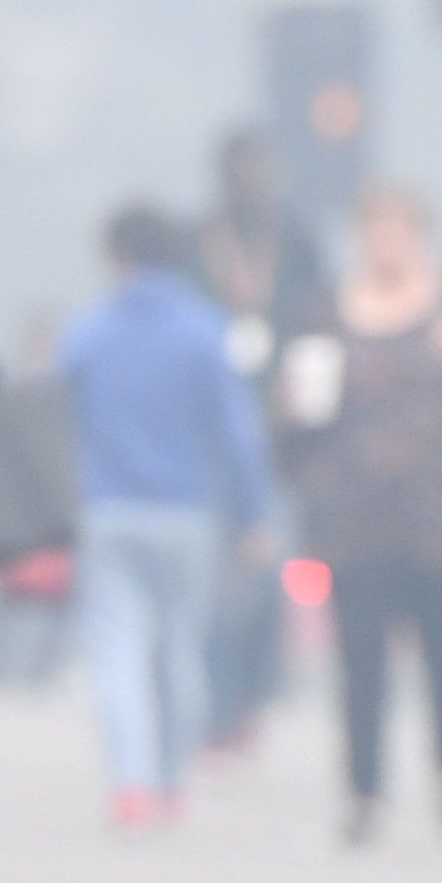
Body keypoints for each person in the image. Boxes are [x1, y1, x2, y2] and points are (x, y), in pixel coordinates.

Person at [282, 180, 442, 842]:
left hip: (439, 519)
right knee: (359, 663)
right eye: (374, 231)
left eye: (398, 230)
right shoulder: (326, 314)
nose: (385, 244)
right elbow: (298, 413)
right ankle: (363, 791)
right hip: (354, 519)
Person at [60, 203, 276, 827]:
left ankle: (131, 782)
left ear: (117, 256)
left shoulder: (90, 332)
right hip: (188, 514)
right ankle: (173, 777)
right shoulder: (205, 332)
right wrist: (253, 515)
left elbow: (55, 417)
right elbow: (237, 435)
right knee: (181, 647)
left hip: (108, 511)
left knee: (118, 648)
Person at [195, 127, 330, 750]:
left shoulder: (297, 242)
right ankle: (212, 707)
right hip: (206, 442)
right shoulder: (198, 242)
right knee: (210, 586)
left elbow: (320, 328)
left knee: (264, 582)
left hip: (277, 443)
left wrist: (301, 406)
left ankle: (248, 700)